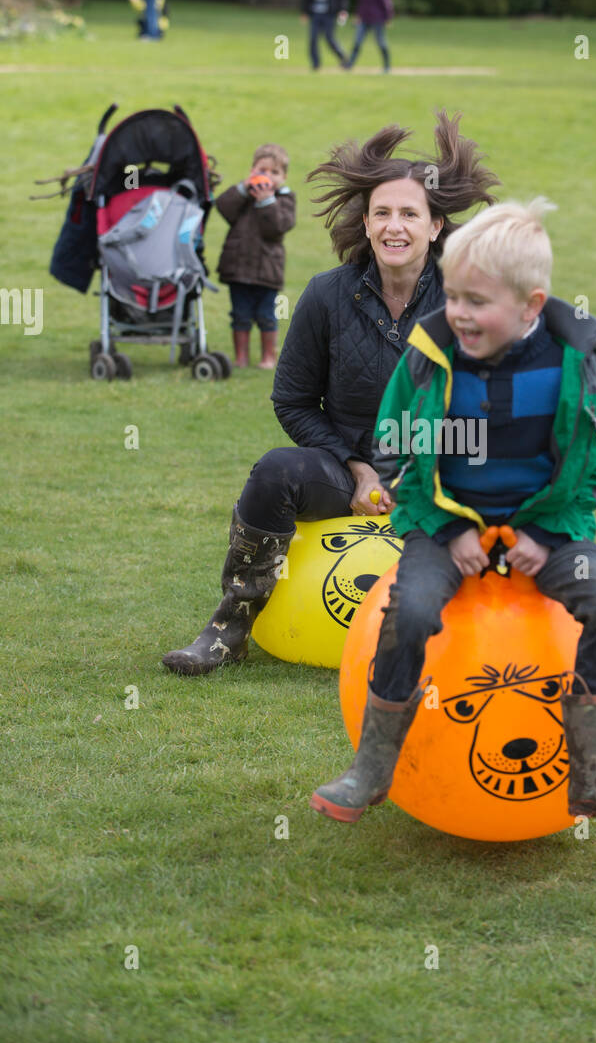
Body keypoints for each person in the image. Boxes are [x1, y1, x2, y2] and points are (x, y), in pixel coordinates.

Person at [310, 200, 596, 825]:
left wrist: (546, 531)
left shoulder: (578, 365)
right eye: (452, 296)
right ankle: (372, 766)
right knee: (413, 609)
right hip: (443, 529)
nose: (458, 314)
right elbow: (391, 446)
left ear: (531, 306)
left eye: (477, 302)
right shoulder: (428, 356)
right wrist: (448, 532)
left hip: (549, 532)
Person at [161, 111, 499, 676]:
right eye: (382, 213)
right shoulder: (325, 296)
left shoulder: (468, 302)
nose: (395, 226)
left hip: (444, 471)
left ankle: (483, 638)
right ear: (365, 223)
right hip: (345, 466)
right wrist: (359, 469)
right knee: (274, 471)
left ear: (436, 226)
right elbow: (292, 400)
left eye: (409, 214)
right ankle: (230, 628)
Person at [215, 144, 296, 369]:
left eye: (275, 172)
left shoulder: (284, 200)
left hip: (267, 271)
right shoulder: (243, 196)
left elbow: (277, 227)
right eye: (262, 170)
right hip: (238, 269)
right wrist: (243, 189)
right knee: (239, 315)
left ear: (284, 177)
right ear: (252, 171)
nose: (267, 177)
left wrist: (266, 202)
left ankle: (268, 357)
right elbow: (222, 207)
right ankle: (241, 357)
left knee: (266, 315)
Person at [345, 0, 394, 72]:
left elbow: (386, 4)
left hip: (377, 19)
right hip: (364, 19)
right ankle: (349, 64)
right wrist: (358, 16)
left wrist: (388, 18)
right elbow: (361, 4)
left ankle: (387, 66)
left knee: (381, 43)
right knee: (357, 41)